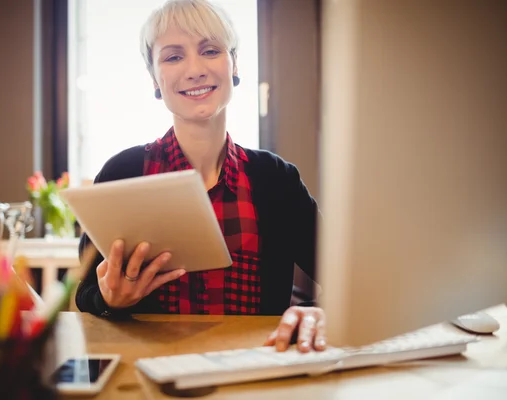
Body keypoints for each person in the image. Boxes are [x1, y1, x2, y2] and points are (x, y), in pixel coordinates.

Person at [76, 0, 326, 353]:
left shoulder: (277, 179)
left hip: (252, 378)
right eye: (174, 57)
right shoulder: (122, 173)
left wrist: (314, 313)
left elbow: (346, 281)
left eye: (209, 50)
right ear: (154, 78)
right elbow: (86, 294)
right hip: (145, 377)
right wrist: (109, 299)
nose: (194, 70)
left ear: (234, 63)